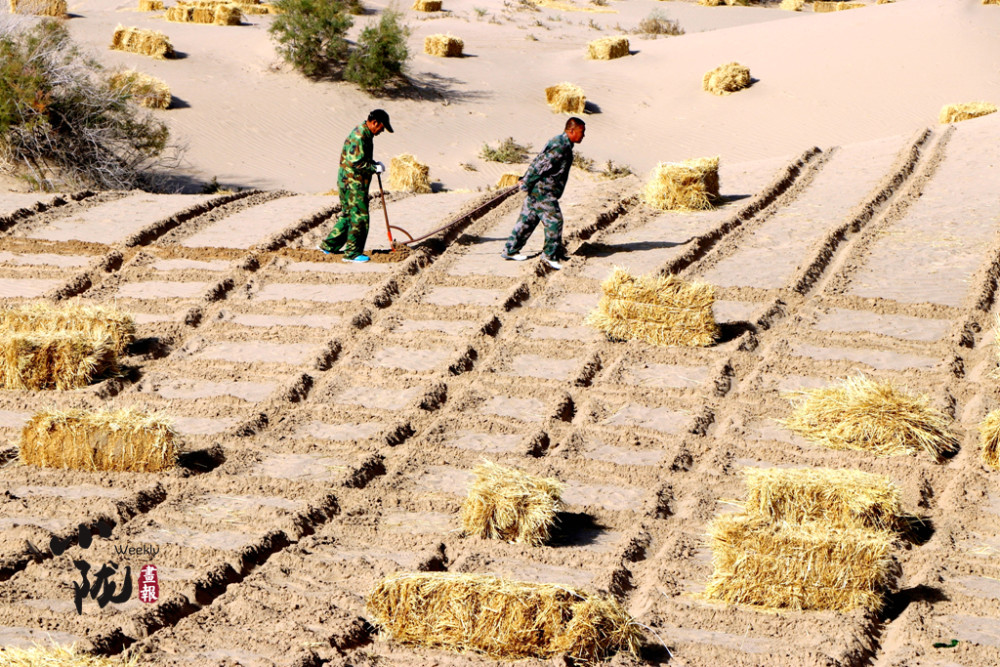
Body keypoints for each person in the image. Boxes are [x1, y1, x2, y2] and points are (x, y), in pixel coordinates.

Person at [500, 117, 585, 270]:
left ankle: (510, 250)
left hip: (539, 190)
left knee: (527, 220)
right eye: (581, 132)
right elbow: (540, 165)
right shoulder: (560, 146)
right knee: (555, 221)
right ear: (572, 131)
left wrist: (527, 179)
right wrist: (526, 181)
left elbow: (538, 162)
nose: (583, 136)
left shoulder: (562, 143)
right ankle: (549, 256)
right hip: (543, 191)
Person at [318, 109, 393, 263]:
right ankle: (352, 254)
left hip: (348, 181)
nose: (381, 131)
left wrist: (374, 163)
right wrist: (373, 168)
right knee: (360, 216)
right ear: (374, 123)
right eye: (381, 127)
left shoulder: (365, 134)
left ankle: (329, 246)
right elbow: (356, 162)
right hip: (353, 183)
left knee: (348, 214)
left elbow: (360, 158)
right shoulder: (360, 136)